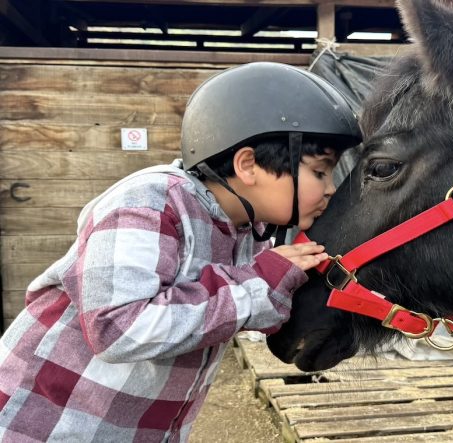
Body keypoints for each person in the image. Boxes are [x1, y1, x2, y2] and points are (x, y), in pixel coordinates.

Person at [0, 62, 361, 441]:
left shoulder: (250, 232)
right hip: (42, 424)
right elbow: (118, 328)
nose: (330, 189)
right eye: (320, 172)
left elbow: (227, 310)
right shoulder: (150, 203)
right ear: (249, 165)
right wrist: (258, 281)